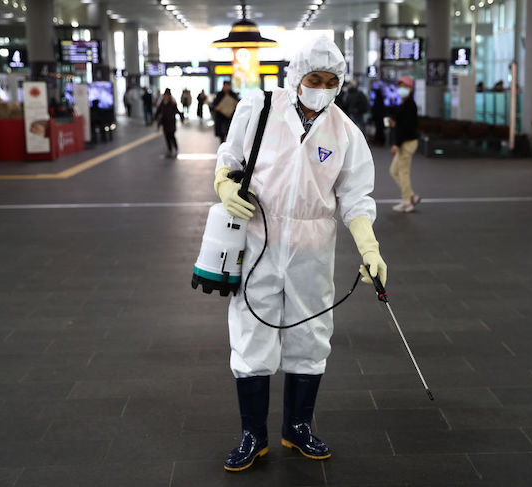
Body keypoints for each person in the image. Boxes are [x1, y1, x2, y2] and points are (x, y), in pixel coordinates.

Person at [213, 35, 387, 472]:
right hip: (259, 238)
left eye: (331, 82)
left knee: (311, 334)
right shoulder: (259, 108)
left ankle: (298, 427)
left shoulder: (345, 132)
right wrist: (224, 185)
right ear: (296, 77)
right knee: (251, 331)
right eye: (314, 79)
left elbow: (356, 196)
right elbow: (229, 156)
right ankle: (253, 435)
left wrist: (369, 246)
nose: (322, 89)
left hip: (313, 246)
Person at [388, 75, 421, 213]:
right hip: (404, 142)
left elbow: (405, 128)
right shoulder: (404, 105)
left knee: (403, 172)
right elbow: (401, 124)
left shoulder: (410, 106)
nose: (401, 89)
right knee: (394, 171)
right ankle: (411, 195)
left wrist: (396, 144)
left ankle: (407, 202)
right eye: (400, 86)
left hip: (406, 143)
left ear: (411, 89)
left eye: (405, 87)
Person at [154, 88, 184, 158]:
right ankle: (170, 149)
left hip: (171, 122)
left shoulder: (172, 103)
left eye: (167, 95)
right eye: (165, 95)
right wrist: (154, 118)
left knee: (172, 136)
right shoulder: (162, 103)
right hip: (165, 123)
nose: (166, 96)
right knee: (167, 136)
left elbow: (177, 111)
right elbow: (158, 111)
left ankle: (176, 148)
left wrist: (182, 118)